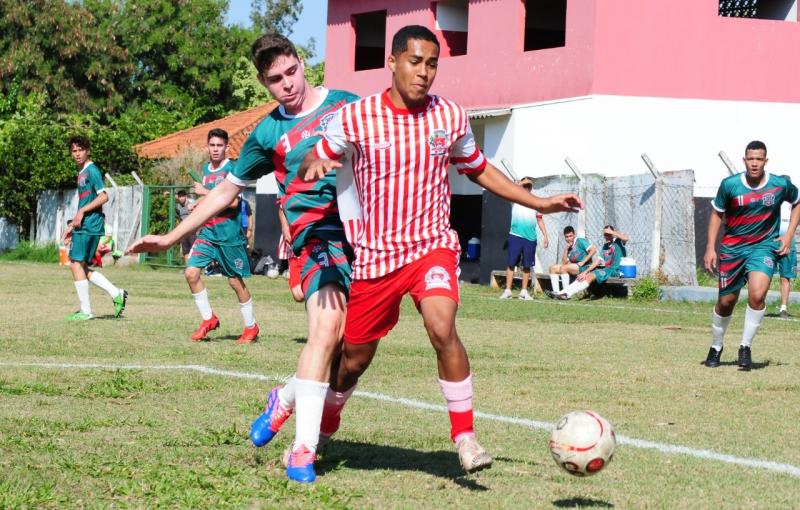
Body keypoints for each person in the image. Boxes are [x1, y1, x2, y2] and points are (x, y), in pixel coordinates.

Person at [299, 25, 582, 476]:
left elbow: (480, 170)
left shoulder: (449, 116)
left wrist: (539, 201)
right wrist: (317, 160)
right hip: (376, 256)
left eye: (432, 64)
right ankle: (323, 425)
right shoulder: (357, 117)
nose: (424, 72)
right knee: (352, 361)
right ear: (392, 62)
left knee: (441, 325)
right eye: (415, 61)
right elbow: (321, 153)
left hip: (432, 246)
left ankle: (465, 438)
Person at [126, 33, 360, 483]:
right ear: (263, 82)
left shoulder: (347, 107)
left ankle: (285, 400)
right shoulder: (268, 133)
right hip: (315, 239)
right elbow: (227, 190)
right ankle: (303, 452)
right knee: (326, 330)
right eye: (276, 80)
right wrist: (171, 235)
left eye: (292, 71)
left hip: (362, 240)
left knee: (352, 349)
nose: (288, 84)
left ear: (300, 63)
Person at [703, 140, 799, 370]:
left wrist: (787, 237)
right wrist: (710, 247)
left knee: (757, 295)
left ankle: (745, 347)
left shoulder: (779, 185)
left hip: (763, 247)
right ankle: (716, 347)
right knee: (726, 302)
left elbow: (797, 202)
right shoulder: (730, 185)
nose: (754, 163)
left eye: (759, 159)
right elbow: (717, 214)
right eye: (750, 159)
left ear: (766, 161)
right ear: (744, 160)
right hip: (733, 248)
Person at [183, 128, 258, 343]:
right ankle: (209, 319)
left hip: (229, 234)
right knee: (191, 273)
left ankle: (251, 327)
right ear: (207, 147)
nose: (215, 149)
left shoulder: (233, 169)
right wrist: (198, 205)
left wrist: (204, 193)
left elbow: (233, 202)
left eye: (219, 146)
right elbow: (211, 202)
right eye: (212, 145)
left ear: (226, 147)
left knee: (235, 282)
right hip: (208, 231)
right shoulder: (205, 170)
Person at [64, 135, 127, 321]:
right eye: (74, 150)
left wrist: (82, 211)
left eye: (80, 150)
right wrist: (73, 224)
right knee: (81, 266)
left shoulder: (92, 170)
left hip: (89, 225)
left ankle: (86, 311)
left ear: (88, 151)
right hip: (84, 225)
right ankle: (116, 293)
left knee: (76, 264)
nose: (77, 154)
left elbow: (104, 196)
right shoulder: (81, 172)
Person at [499, 177, 549, 300]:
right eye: (525, 185)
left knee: (527, 266)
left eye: (529, 186)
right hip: (515, 236)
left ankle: (524, 292)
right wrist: (520, 184)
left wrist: (545, 235)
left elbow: (539, 219)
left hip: (530, 238)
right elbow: (509, 187)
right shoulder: (515, 197)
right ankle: (508, 291)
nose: (527, 188)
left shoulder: (535, 201)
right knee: (511, 264)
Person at [553, 225, 629, 299]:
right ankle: (563, 293)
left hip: (617, 271)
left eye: (609, 234)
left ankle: (566, 294)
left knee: (591, 275)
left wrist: (613, 232)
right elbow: (597, 261)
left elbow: (626, 238)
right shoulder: (605, 247)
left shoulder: (618, 241)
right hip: (608, 270)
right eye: (605, 234)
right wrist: (585, 272)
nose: (607, 236)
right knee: (585, 276)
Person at [546, 226, 597, 295]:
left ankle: (565, 293)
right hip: (574, 267)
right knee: (552, 268)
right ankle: (556, 293)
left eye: (570, 236)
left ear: (574, 234)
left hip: (584, 267)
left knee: (564, 268)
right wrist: (566, 249)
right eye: (566, 237)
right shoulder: (569, 246)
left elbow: (593, 250)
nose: (569, 238)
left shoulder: (580, 241)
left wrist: (583, 261)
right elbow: (564, 263)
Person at [776, 206, 796, 319]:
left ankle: (783, 308)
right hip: (770, 242)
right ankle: (758, 305)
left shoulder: (794, 201)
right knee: (764, 275)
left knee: (785, 277)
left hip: (789, 244)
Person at [175, 189, 196, 264]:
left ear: (186, 196)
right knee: (185, 250)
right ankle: (188, 267)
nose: (181, 198)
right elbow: (179, 218)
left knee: (193, 249)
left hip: (192, 230)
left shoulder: (191, 203)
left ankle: (194, 267)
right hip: (183, 231)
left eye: (182, 196)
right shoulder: (178, 206)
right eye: (179, 197)